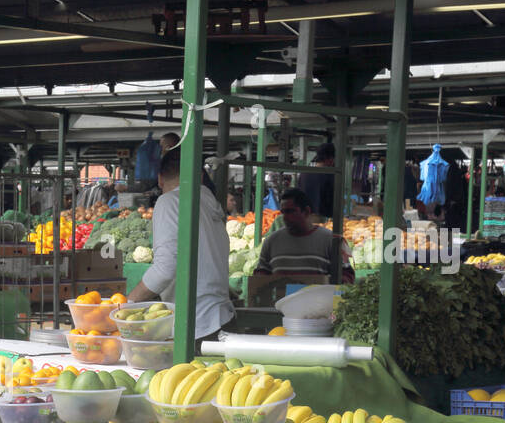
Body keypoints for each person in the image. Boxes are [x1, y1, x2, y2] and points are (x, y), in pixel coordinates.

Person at [130, 146, 235, 345]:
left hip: (195, 325)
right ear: (201, 177)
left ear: (160, 179)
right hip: (222, 317)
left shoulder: (169, 202)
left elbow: (165, 268)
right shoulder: (210, 202)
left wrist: (126, 304)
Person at [256, 188, 347, 284]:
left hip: (318, 298)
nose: (285, 217)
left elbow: (346, 274)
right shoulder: (271, 242)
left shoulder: (330, 240)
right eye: (283, 212)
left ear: (306, 211)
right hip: (283, 299)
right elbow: (261, 274)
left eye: (291, 211)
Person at [298, 142, 336, 223]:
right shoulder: (330, 175)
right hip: (323, 220)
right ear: (330, 158)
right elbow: (333, 200)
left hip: (303, 217)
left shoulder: (304, 173)